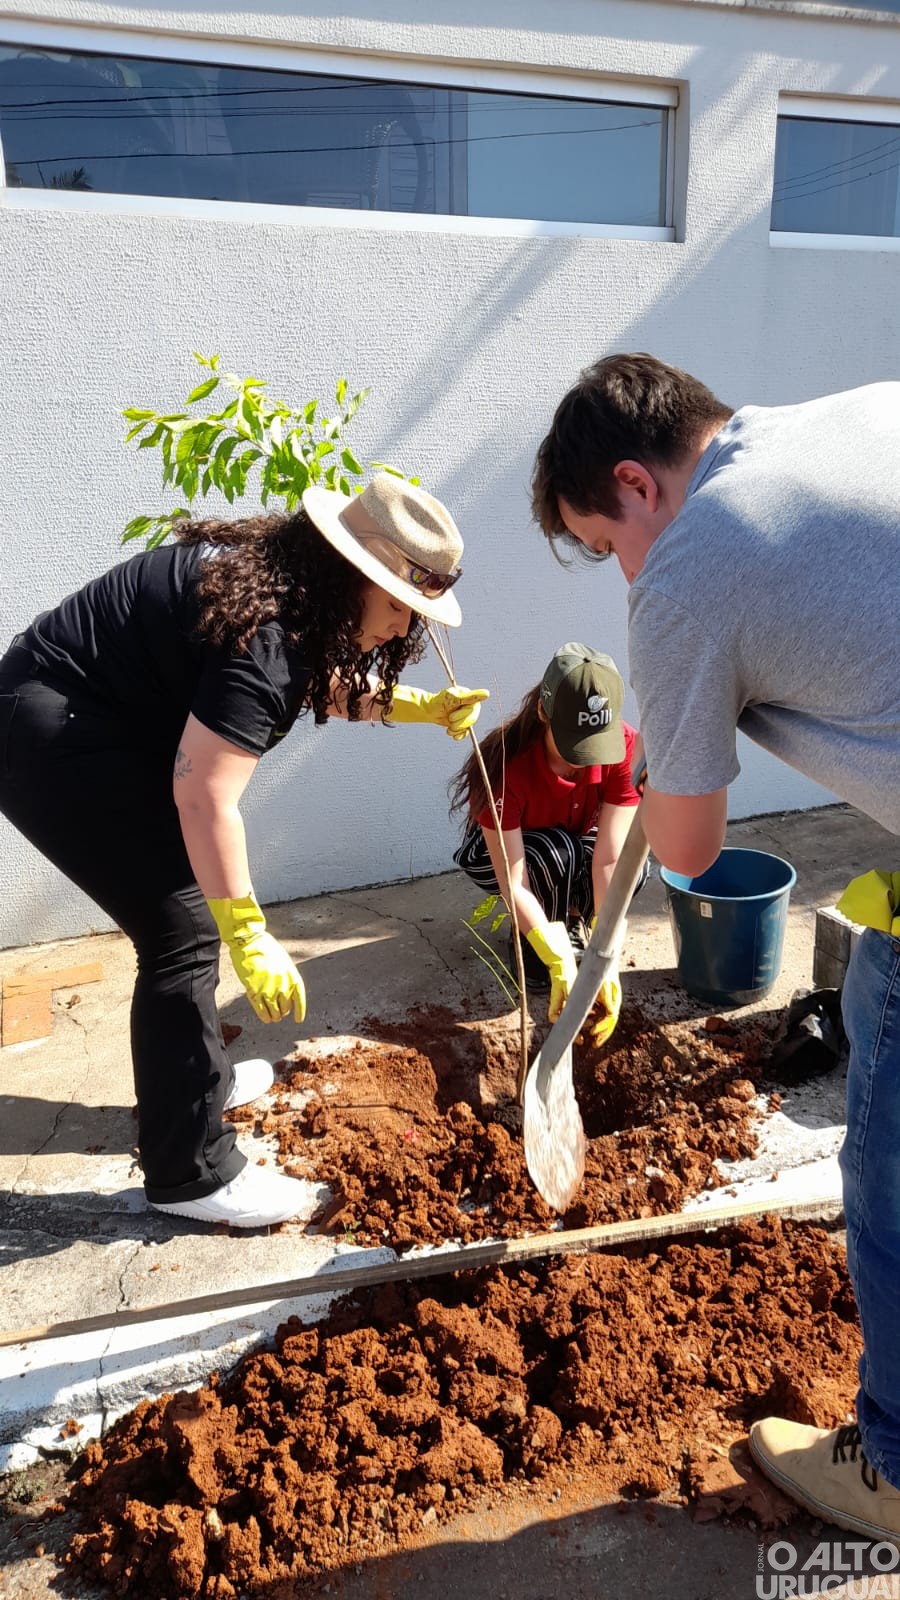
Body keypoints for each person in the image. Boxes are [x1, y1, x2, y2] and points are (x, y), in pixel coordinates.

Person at [531, 351, 900, 1540]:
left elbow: (685, 850)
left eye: (606, 544)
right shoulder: (858, 410)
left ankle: (893, 1468)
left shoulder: (690, 568)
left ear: (638, 486)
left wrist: (691, 708)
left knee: (890, 1176)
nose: (621, 572)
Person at [0, 474, 487, 1229]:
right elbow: (204, 795)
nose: (401, 630)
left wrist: (419, 708)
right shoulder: (270, 631)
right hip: (48, 738)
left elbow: (305, 684)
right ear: (353, 575)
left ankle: (200, 1080)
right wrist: (249, 930)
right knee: (184, 931)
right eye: (398, 605)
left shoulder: (285, 590)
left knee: (184, 920)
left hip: (78, 715)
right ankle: (190, 1174)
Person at [450, 642, 643, 1024]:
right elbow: (513, 879)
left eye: (594, 744)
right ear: (543, 711)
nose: (583, 757)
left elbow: (609, 860)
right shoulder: (505, 765)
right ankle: (533, 940)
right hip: (507, 855)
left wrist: (608, 953)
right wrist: (552, 953)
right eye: (572, 741)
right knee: (557, 853)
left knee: (635, 868)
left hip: (575, 839)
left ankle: (574, 919)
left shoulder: (625, 748)